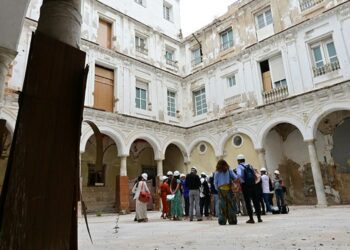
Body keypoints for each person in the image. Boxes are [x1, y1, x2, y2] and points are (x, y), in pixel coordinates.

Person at [236, 154, 262, 223]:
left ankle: (251, 218)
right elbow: (254, 174)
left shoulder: (239, 166)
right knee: (255, 201)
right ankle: (259, 218)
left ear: (238, 161)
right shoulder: (249, 165)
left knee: (248, 202)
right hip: (253, 184)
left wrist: (241, 180)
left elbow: (239, 175)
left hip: (245, 185)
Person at [214, 159, 238, 225]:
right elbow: (235, 177)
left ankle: (222, 221)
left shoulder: (217, 172)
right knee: (230, 205)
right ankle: (232, 220)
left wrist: (217, 189)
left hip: (221, 190)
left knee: (222, 205)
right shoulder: (228, 170)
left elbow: (215, 182)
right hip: (229, 189)